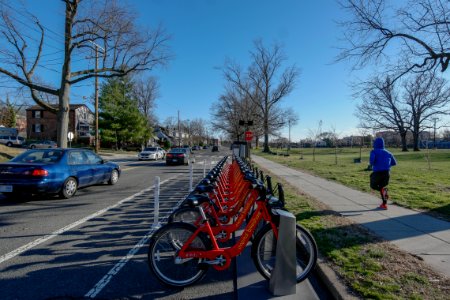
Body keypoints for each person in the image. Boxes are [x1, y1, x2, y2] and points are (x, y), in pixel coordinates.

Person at [369, 137, 397, 210]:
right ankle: (384, 205)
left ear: (375, 144)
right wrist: (387, 165)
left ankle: (383, 191)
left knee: (373, 186)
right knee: (382, 187)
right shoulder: (388, 152)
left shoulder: (374, 151)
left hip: (377, 173)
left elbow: (371, 162)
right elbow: (394, 163)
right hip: (386, 173)